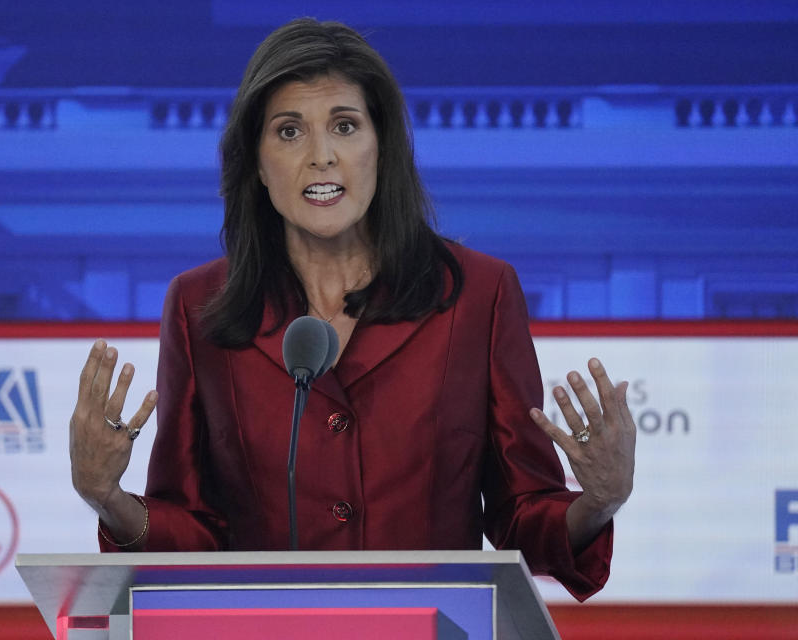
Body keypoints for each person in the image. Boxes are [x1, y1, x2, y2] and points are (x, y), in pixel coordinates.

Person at [69, 18, 636, 601]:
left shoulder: (478, 294)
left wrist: (597, 502)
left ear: (382, 147)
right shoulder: (199, 307)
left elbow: (523, 519)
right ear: (258, 165)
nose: (321, 156)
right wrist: (109, 499)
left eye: (345, 126)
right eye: (289, 132)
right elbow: (193, 537)